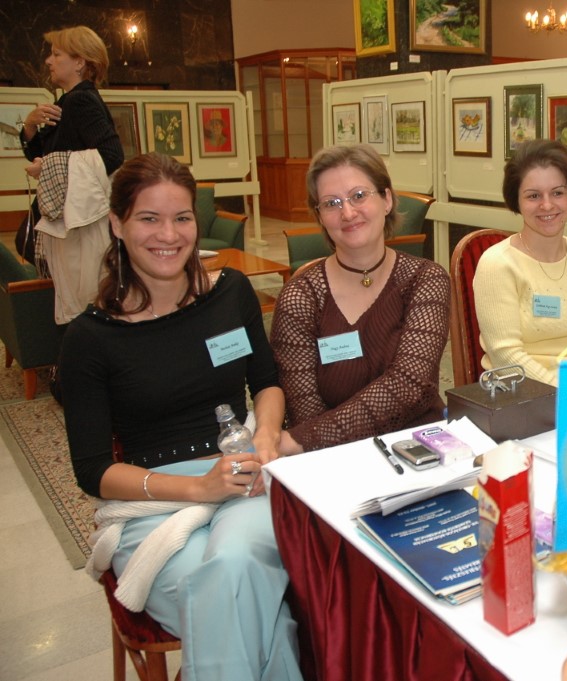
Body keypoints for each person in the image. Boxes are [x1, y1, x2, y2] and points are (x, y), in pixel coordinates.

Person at [60, 153, 301, 680]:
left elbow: (266, 382)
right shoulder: (90, 338)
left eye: (182, 218)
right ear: (117, 224)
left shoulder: (231, 293)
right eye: (149, 218)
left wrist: (265, 435)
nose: (168, 235)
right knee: (243, 595)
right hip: (153, 500)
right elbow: (93, 470)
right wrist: (198, 488)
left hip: (243, 479)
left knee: (232, 569)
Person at [271, 144, 450, 455]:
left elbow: (411, 384)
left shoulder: (425, 279)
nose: (348, 213)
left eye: (358, 195)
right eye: (331, 203)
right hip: (336, 459)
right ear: (319, 215)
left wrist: (300, 440)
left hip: (421, 449)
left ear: (386, 199)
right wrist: (321, 444)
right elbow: (305, 410)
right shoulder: (300, 298)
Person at [473, 139, 567, 387]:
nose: (547, 205)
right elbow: (506, 357)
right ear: (517, 201)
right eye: (533, 196)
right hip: (520, 393)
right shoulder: (497, 264)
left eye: (557, 193)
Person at [20, 25, 124, 325]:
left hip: (79, 221)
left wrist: (50, 166)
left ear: (79, 62)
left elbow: (112, 155)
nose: (48, 61)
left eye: (56, 54)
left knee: (84, 299)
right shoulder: (68, 100)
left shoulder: (80, 100)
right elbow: (43, 151)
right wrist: (29, 126)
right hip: (70, 216)